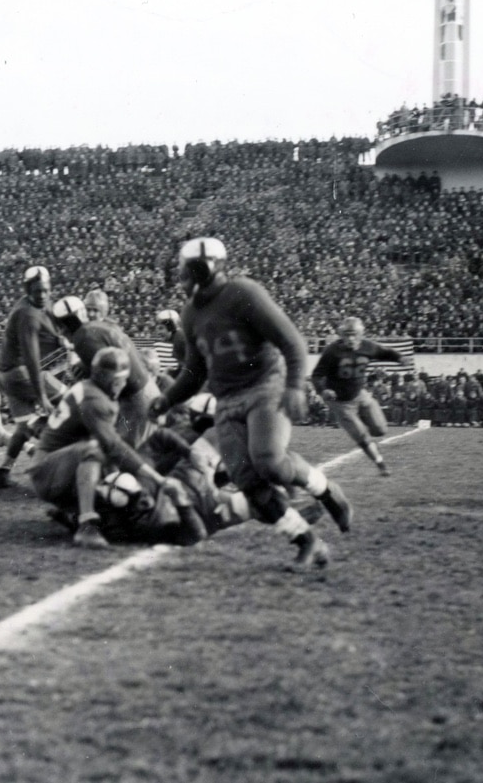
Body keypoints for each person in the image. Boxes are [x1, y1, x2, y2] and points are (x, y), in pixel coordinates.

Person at [148, 238, 349, 568]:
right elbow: (195, 372)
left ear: (201, 269)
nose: (181, 280)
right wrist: (167, 400)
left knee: (268, 461)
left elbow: (292, 341)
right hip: (226, 400)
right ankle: (306, 540)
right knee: (247, 482)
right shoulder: (190, 313)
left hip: (264, 385)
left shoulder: (243, 292)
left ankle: (327, 491)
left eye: (185, 272)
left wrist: (296, 385)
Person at [29, 347, 168, 550]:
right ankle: (87, 526)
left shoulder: (91, 389)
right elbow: (112, 446)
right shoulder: (95, 400)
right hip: (47, 472)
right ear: (116, 380)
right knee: (95, 450)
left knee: (109, 467)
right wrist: (157, 478)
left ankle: (74, 514)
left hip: (55, 466)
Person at [0, 265, 70, 489]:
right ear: (28, 291)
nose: (43, 295)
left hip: (6, 374)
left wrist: (60, 337)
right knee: (72, 400)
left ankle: (2, 472)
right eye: (37, 292)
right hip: (19, 373)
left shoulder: (39, 306)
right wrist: (42, 395)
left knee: (24, 428)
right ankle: (60, 465)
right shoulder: (27, 314)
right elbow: (32, 358)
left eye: (45, 290)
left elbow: (53, 323)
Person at [51, 294, 159, 447]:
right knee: (121, 448)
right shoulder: (101, 327)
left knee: (128, 454)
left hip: (135, 401)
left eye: (62, 325)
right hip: (140, 395)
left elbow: (110, 377)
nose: (61, 331)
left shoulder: (83, 337)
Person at [309, 317, 409, 476]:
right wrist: (323, 390)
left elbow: (385, 352)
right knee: (361, 435)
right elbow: (316, 375)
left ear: (361, 334)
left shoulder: (368, 346)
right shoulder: (332, 351)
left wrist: (399, 357)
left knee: (380, 430)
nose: (350, 338)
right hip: (341, 402)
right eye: (347, 334)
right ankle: (381, 464)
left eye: (354, 334)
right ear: (341, 335)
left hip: (360, 394)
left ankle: (363, 422)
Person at [155, 309, 186, 375]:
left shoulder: (179, 339)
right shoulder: (177, 337)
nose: (158, 332)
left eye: (161, 328)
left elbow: (190, 367)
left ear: (171, 327)